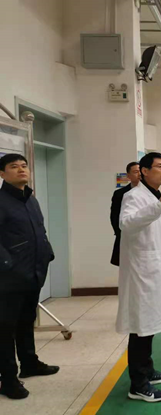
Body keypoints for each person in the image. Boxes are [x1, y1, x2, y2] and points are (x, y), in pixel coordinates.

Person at [116, 152, 161, 403]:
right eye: (159, 167)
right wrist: (158, 207)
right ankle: (138, 384)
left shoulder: (155, 196)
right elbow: (127, 223)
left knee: (149, 325)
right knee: (141, 327)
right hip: (143, 272)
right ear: (143, 171)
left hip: (155, 269)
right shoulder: (133, 196)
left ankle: (147, 370)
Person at [0, 154, 59, 400]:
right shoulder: (2, 201)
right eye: (14, 167)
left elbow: (39, 230)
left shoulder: (30, 199)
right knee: (5, 329)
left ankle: (30, 362)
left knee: (26, 321)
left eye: (24, 166)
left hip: (33, 271)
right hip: (9, 277)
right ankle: (8, 379)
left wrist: (47, 253)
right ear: (2, 174)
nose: (21, 169)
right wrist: (7, 265)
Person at [110, 162, 140, 266]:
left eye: (141, 171)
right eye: (136, 172)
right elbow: (114, 216)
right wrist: (120, 233)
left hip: (144, 237)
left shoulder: (152, 192)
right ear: (128, 175)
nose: (139, 174)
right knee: (126, 266)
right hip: (125, 235)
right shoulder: (120, 194)